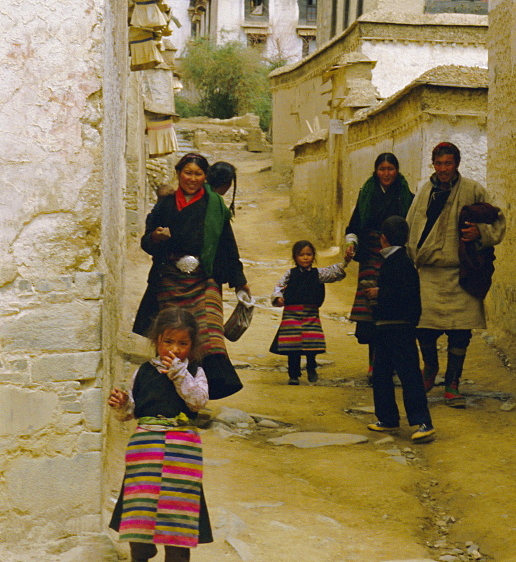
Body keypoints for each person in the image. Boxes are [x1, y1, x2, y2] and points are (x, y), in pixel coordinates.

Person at [133, 152, 249, 400]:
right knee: (174, 337)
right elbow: (146, 241)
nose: (192, 178)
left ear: (205, 176)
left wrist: (240, 282)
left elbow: (227, 245)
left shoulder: (214, 205)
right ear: (178, 173)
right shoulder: (165, 205)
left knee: (208, 331)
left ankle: (206, 390)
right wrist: (156, 237)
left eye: (198, 174)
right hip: (169, 280)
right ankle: (169, 395)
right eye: (188, 173)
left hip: (204, 279)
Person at [406, 142, 506, 408]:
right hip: (428, 273)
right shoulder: (424, 191)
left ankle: (453, 383)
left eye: (448, 164)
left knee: (460, 333)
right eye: (439, 164)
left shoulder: (473, 190)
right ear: (433, 165)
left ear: (457, 164)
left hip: (461, 272)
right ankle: (430, 369)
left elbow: (497, 220)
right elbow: (412, 225)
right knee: (424, 330)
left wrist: (480, 235)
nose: (443, 170)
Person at [109, 307, 212, 562]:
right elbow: (129, 413)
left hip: (183, 450)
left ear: (192, 345)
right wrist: (122, 404)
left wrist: (179, 375)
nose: (174, 349)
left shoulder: (195, 371)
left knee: (178, 511)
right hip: (145, 448)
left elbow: (198, 402)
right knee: (140, 506)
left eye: (182, 343)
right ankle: (143, 551)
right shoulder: (143, 372)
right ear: (157, 341)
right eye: (168, 342)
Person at [344, 153, 415, 379]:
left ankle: (392, 362)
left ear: (397, 171)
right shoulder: (367, 194)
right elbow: (353, 226)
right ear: (376, 171)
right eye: (382, 169)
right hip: (370, 256)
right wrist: (351, 244)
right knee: (372, 311)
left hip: (395, 258)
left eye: (390, 169)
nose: (386, 174)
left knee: (392, 306)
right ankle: (374, 363)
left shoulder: (406, 197)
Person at [365, 215, 435, 443]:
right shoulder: (399, 261)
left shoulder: (400, 263)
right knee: (382, 375)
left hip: (398, 328)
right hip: (388, 328)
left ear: (383, 239)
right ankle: (387, 418)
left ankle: (423, 422)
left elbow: (404, 296)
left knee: (409, 375)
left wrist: (379, 294)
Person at [270, 239, 350, 385]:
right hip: (291, 315)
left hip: (310, 315)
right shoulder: (289, 274)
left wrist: (345, 261)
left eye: (309, 254)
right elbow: (278, 287)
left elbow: (333, 272)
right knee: (292, 348)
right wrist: (278, 298)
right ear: (295, 257)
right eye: (301, 255)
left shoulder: (318, 274)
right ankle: (293, 375)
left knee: (311, 345)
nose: (305, 257)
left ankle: (311, 367)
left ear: (314, 256)